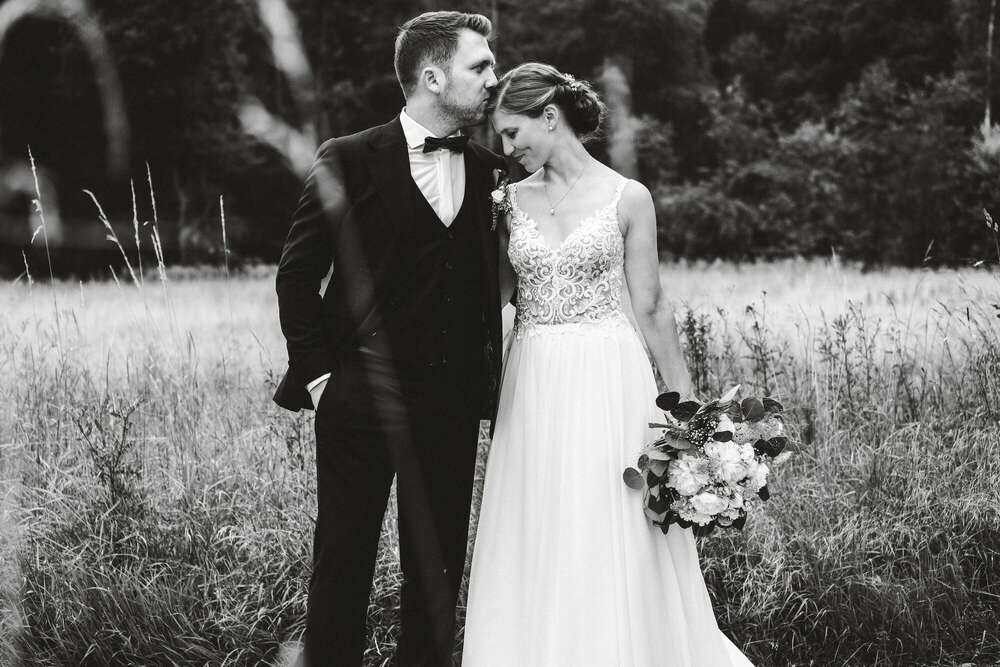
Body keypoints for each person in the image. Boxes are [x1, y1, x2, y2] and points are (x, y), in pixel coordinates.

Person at [461, 63, 755, 666]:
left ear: (550, 116)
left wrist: (693, 418)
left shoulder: (628, 197)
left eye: (514, 133)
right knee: (538, 520)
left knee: (611, 520)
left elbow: (650, 306)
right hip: (535, 374)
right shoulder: (506, 202)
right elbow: (492, 298)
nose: (508, 150)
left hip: (608, 374)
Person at [272, 11, 508, 666]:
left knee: (436, 577)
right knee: (342, 561)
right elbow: (295, 278)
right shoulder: (347, 157)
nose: (495, 77)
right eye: (480, 65)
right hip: (357, 402)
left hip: (451, 407)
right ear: (432, 77)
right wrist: (324, 383)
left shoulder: (494, 171)